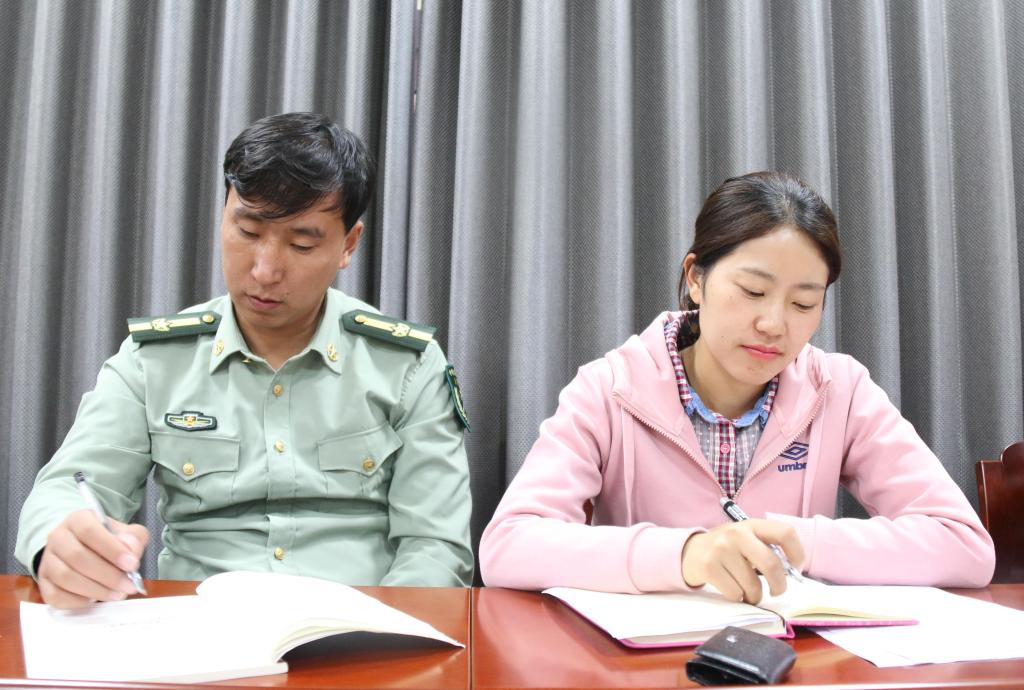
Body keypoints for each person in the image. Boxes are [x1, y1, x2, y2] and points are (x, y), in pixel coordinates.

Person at [15, 112, 474, 608]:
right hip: (201, 632)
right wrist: (60, 544)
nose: (265, 270)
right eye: (249, 232)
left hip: (359, 629)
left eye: (301, 244)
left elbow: (435, 547)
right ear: (223, 218)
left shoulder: (407, 365)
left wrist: (380, 634)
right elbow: (69, 486)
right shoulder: (156, 361)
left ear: (348, 245)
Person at [479, 171, 995, 603]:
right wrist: (686, 554)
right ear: (696, 279)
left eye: (803, 303)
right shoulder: (610, 388)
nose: (774, 324)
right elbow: (508, 545)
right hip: (644, 663)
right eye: (752, 291)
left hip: (792, 661)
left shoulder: (840, 390)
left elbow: (965, 546)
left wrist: (799, 542)